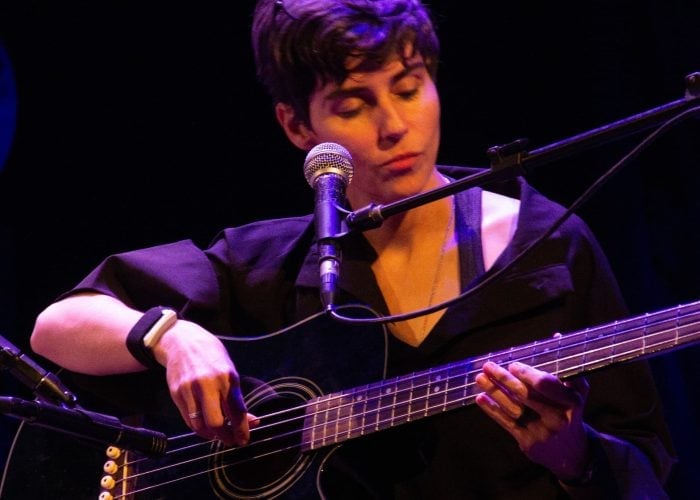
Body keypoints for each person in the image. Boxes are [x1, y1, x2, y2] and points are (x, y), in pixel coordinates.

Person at [29, 0, 675, 498]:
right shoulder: (271, 263)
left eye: (408, 87)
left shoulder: (551, 247)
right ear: (296, 125)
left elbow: (648, 466)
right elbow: (55, 327)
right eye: (353, 105)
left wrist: (576, 458)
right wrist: (172, 338)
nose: (394, 126)